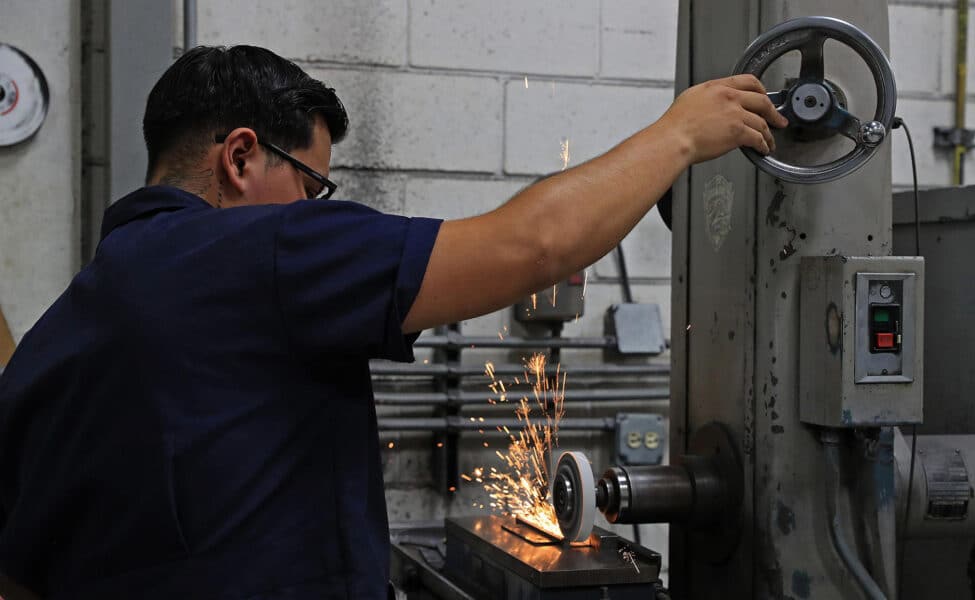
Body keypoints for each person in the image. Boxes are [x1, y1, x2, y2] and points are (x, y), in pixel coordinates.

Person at [0, 45, 785, 599]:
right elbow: (533, 244)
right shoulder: (257, 250)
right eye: (312, 186)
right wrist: (680, 133)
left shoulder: (68, 326)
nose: (315, 213)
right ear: (241, 157)